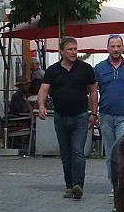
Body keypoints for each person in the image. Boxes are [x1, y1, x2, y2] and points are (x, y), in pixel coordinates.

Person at [38, 37, 98, 200]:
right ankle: (69, 186)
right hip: (60, 117)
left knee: (77, 151)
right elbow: (43, 90)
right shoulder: (52, 70)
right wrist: (41, 105)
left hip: (80, 116)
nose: (73, 52)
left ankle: (78, 184)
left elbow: (93, 91)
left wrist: (94, 113)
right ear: (62, 51)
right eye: (70, 49)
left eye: (75, 49)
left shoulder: (85, 69)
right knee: (65, 154)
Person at [93, 35, 124, 166]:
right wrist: (93, 112)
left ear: (123, 48)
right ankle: (114, 183)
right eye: (113, 46)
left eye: (118, 46)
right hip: (105, 115)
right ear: (107, 48)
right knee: (110, 153)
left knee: (122, 151)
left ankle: (122, 183)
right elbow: (93, 91)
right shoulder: (99, 68)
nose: (115, 49)